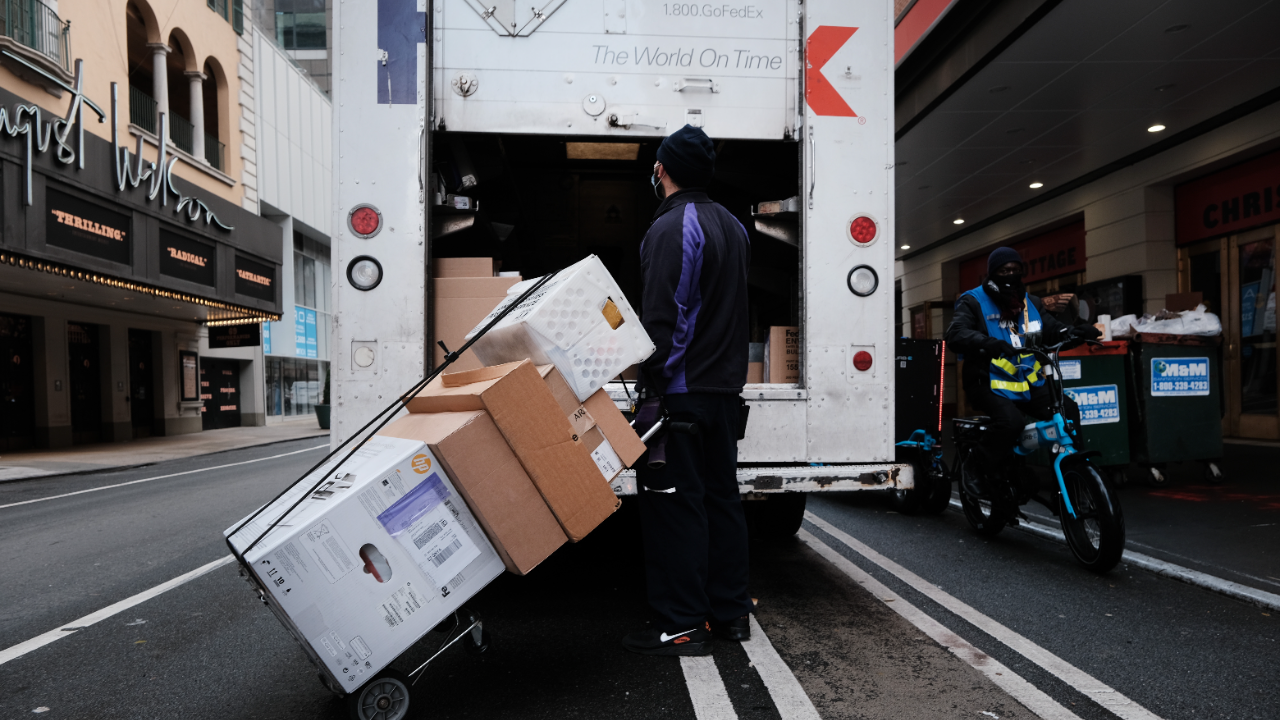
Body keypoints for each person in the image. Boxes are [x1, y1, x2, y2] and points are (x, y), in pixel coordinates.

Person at [622, 125, 754, 657]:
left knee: (676, 506)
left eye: (657, 165)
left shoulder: (674, 227)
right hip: (724, 393)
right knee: (723, 501)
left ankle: (681, 623)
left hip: (682, 394)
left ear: (663, 169)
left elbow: (666, 319)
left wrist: (648, 373)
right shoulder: (734, 226)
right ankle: (730, 615)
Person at [944, 247, 1099, 493]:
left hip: (1026, 383)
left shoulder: (1031, 303)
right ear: (993, 273)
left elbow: (1053, 329)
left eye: (1015, 270)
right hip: (986, 382)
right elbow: (955, 333)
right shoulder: (973, 300)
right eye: (1004, 271)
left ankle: (1073, 473)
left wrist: (1077, 333)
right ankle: (975, 464)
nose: (1010, 275)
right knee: (1011, 423)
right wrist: (987, 343)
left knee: (1068, 409)